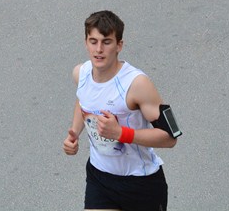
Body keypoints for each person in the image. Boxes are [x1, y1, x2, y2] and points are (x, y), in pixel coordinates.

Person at [62, 11, 178, 211]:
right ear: (86, 43)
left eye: (106, 42)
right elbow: (83, 100)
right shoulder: (81, 74)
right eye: (93, 41)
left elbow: (170, 138)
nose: (99, 49)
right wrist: (74, 133)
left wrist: (120, 133)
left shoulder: (137, 84)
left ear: (119, 45)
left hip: (140, 184)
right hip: (100, 178)